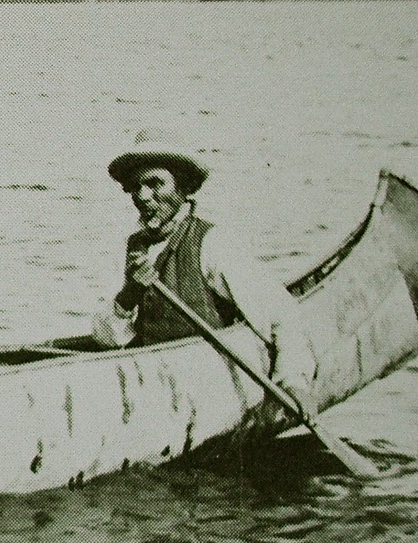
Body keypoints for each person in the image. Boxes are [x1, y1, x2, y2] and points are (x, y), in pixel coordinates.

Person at [91, 129, 315, 409]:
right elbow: (105, 338)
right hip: (154, 392)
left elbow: (282, 317)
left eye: (155, 184)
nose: (143, 196)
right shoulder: (133, 248)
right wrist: (129, 293)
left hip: (209, 393)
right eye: (136, 186)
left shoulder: (213, 243)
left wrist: (294, 382)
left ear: (182, 188)